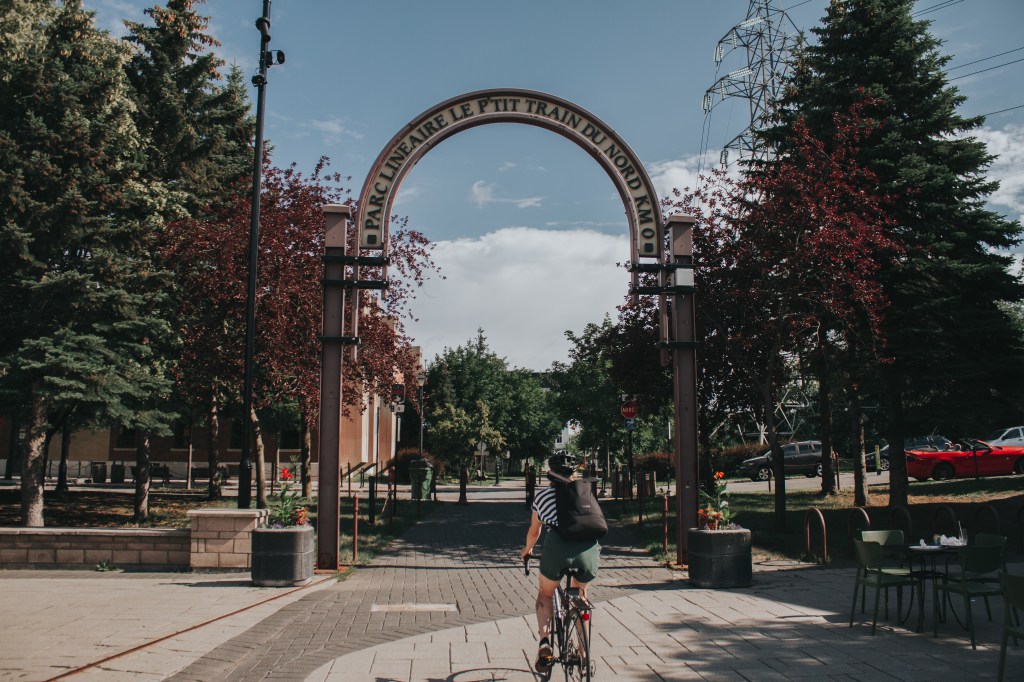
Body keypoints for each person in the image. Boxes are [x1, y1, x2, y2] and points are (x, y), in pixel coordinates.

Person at [519, 452, 601, 675]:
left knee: (545, 594)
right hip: (588, 551)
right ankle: (584, 655)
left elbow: (535, 530)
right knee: (581, 594)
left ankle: (545, 643)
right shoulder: (586, 493)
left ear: (550, 473)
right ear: (574, 473)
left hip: (557, 549)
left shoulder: (543, 497)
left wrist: (526, 551)